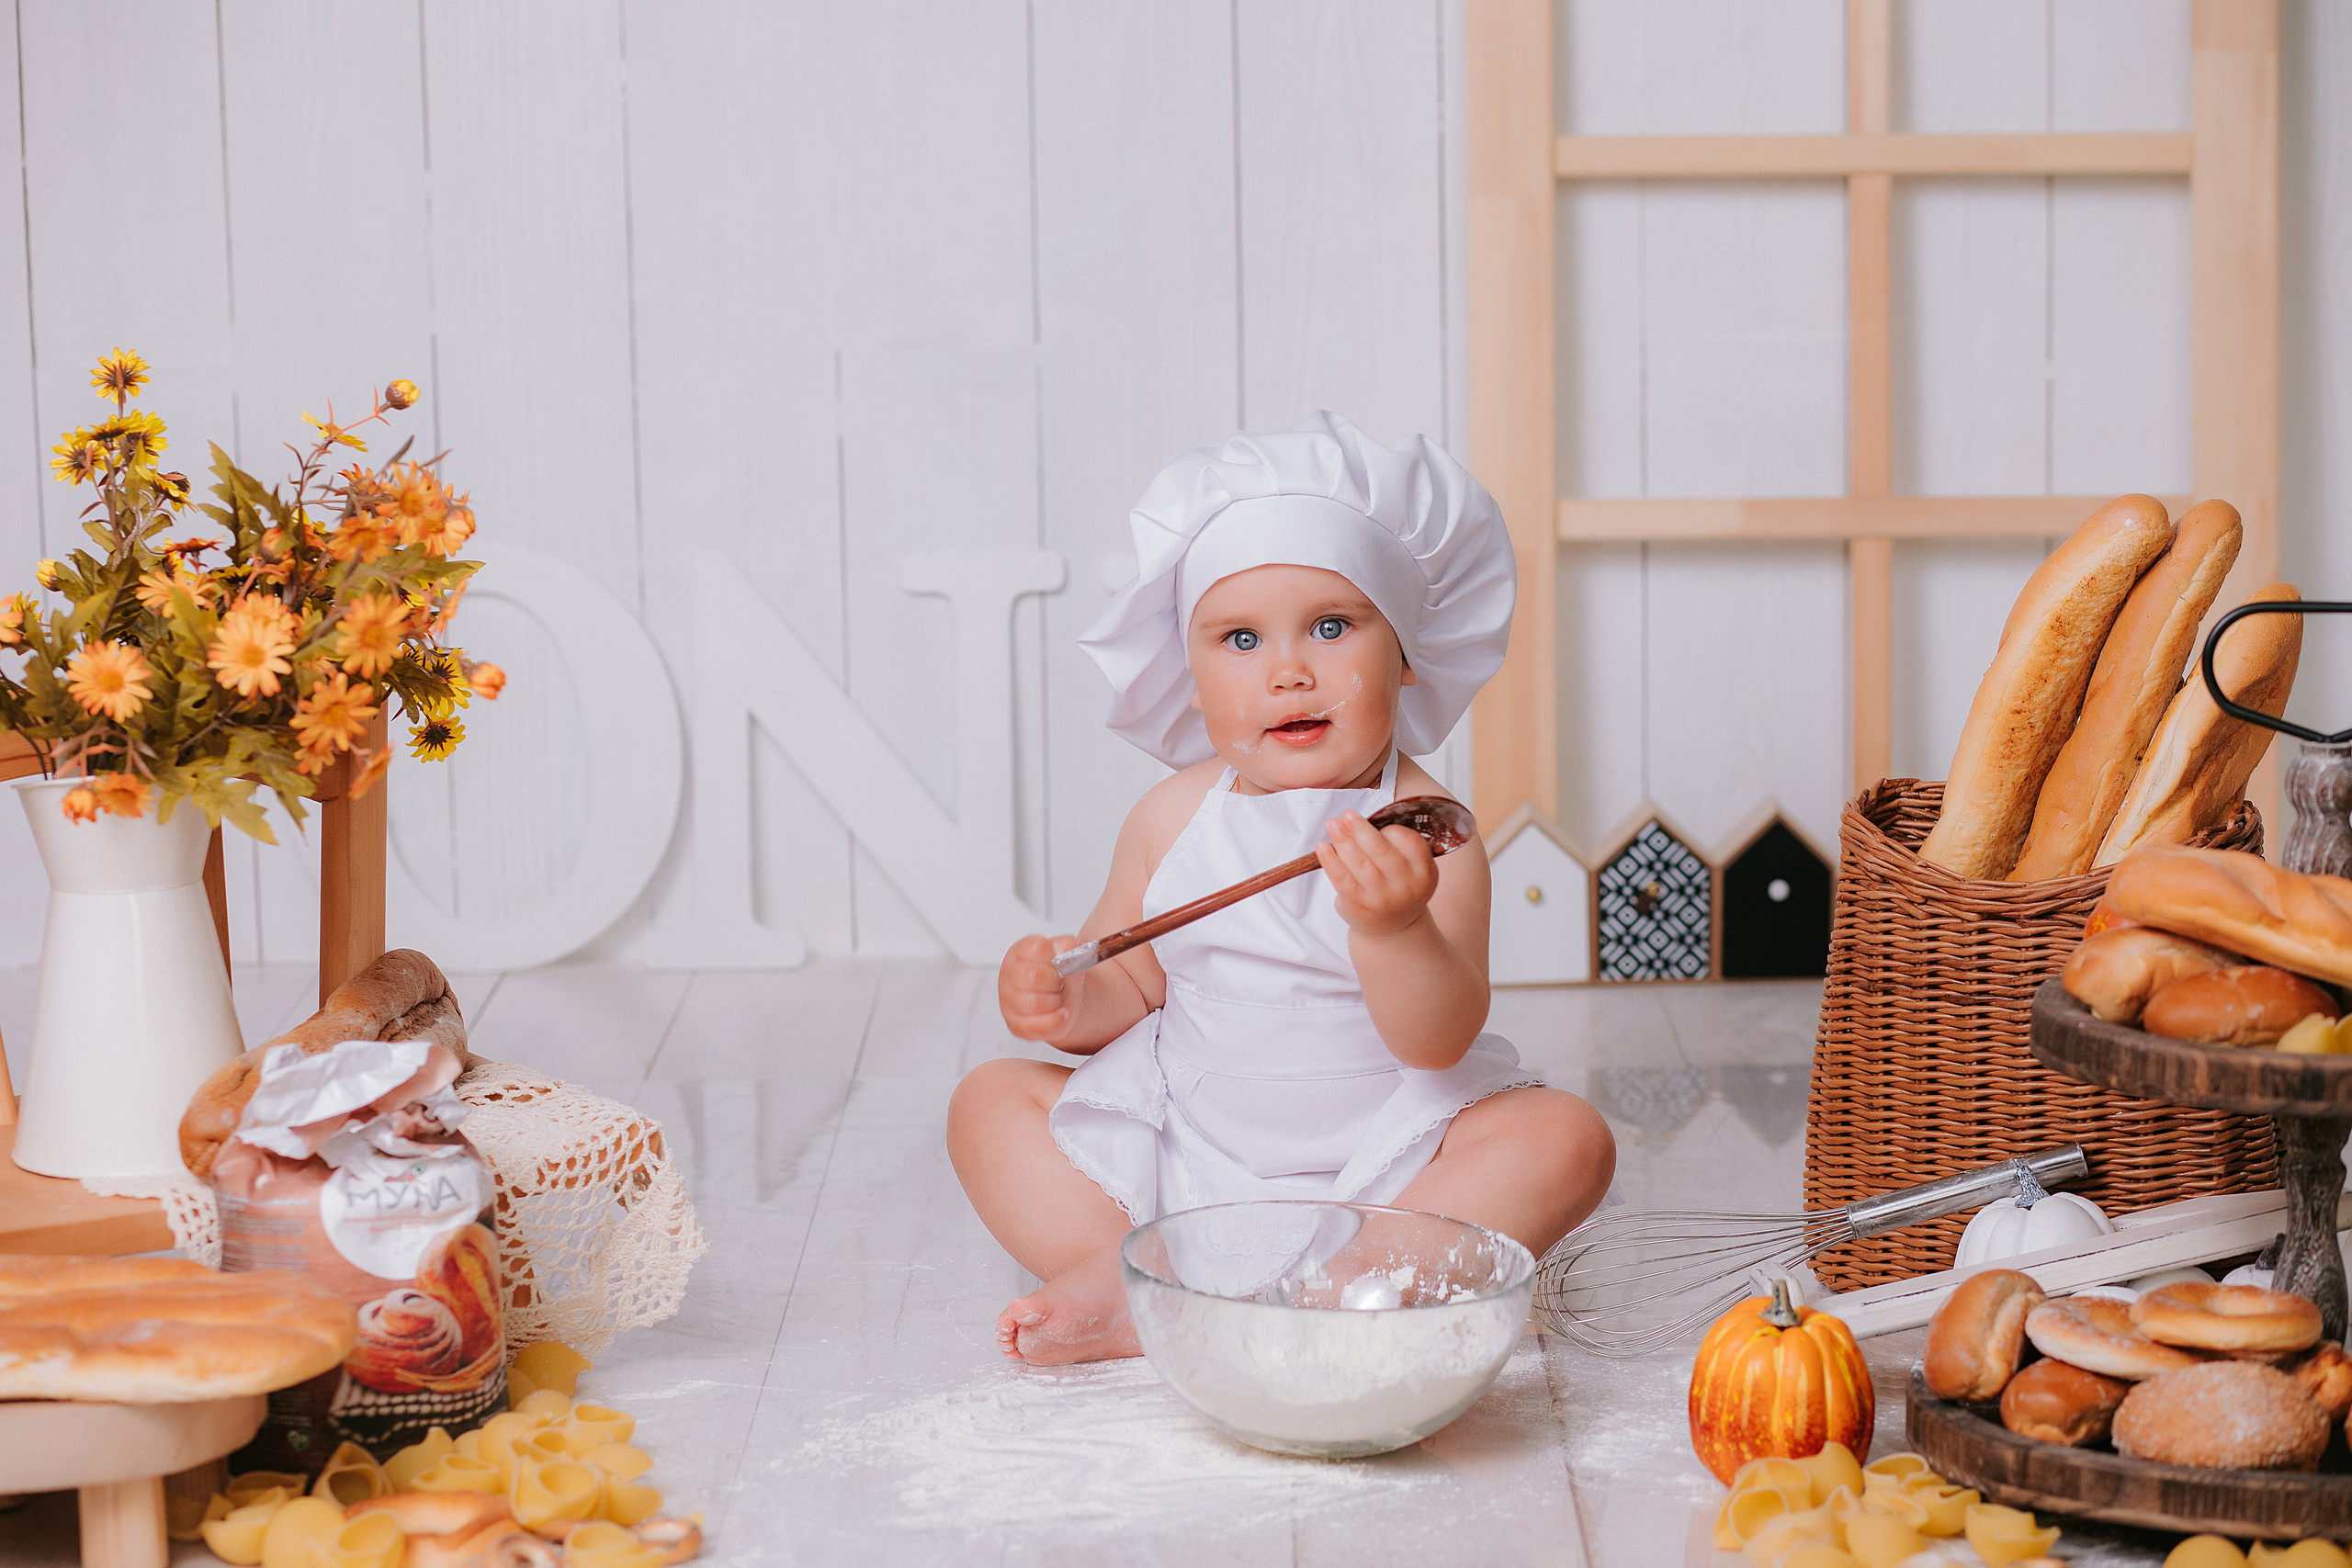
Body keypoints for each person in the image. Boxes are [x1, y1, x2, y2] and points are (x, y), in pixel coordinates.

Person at [947, 412, 1616, 1365]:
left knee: (1567, 1139)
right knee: (990, 1101)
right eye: (1240, 639)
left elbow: (1437, 1040)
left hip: (1392, 1165)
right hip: (1188, 1153)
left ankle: (1344, 1287)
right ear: (1189, 675)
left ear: (1407, 652)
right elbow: (1128, 985)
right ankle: (1134, 1280)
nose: (1289, 671)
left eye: (1332, 627)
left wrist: (1394, 929)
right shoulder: (1171, 819)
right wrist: (1064, 1000)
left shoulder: (1429, 831)